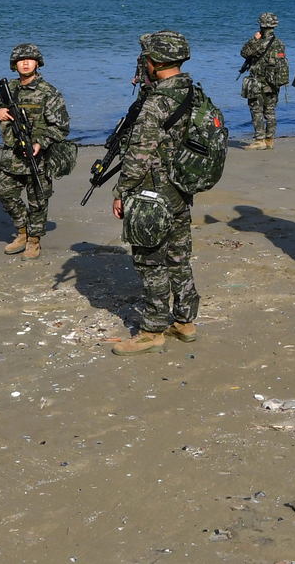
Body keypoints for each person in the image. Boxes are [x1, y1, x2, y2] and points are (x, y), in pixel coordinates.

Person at [110, 30, 200, 355]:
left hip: (152, 193)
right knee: (179, 256)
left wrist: (122, 191)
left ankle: (152, 330)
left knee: (151, 261)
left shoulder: (156, 102)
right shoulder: (194, 92)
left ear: (155, 62)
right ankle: (186, 321)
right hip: (181, 187)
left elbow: (139, 154)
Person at [0, 43, 70, 261]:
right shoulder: (9, 89)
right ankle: (22, 231)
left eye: (30, 59)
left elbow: (62, 127)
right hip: (12, 155)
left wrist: (40, 143)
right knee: (5, 194)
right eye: (20, 60)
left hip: (38, 156)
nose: (25, 63)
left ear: (37, 63)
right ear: (14, 64)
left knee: (38, 199)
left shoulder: (48, 92)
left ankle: (34, 241)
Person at [239, 11, 288, 149]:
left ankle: (260, 140)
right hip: (274, 83)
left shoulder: (259, 43)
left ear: (262, 25)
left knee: (256, 110)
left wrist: (254, 39)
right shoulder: (280, 43)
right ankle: (269, 140)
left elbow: (244, 52)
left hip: (259, 83)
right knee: (270, 111)